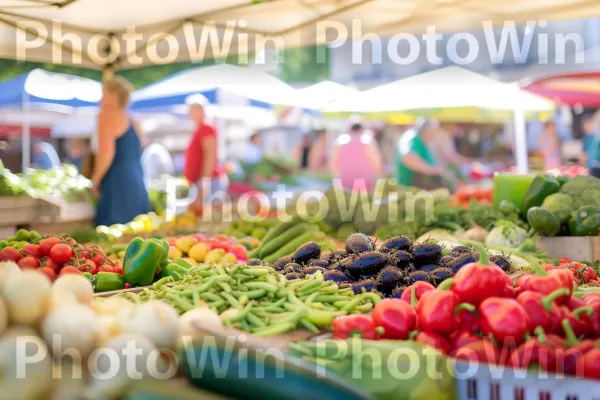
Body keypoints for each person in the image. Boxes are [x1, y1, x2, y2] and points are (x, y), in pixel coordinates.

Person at [92, 76, 150, 226]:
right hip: (137, 179)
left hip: (117, 182)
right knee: (138, 233)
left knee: (111, 236)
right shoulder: (133, 120)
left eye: (103, 94)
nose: (100, 100)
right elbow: (143, 144)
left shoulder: (106, 116)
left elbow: (106, 154)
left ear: (114, 96)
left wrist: (95, 180)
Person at [184, 95, 227, 212]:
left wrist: (204, 182)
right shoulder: (199, 128)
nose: (190, 113)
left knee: (210, 217)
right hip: (203, 181)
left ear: (202, 110)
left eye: (193, 109)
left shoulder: (207, 127)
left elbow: (210, 157)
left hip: (211, 181)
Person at [396, 118, 455, 189]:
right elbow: (407, 156)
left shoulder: (421, 140)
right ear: (426, 130)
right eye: (432, 133)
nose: (433, 136)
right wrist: (432, 170)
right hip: (409, 189)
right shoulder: (411, 137)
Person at [329, 122, 383, 191]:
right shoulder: (368, 142)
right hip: (366, 184)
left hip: (344, 184)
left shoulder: (340, 142)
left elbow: (332, 165)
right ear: (362, 129)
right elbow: (377, 165)